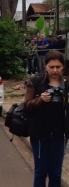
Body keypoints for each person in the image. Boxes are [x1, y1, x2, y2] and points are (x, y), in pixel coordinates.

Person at [24, 50, 69, 187]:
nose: (55, 70)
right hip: (39, 134)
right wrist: (40, 100)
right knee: (40, 171)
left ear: (63, 67)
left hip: (60, 135)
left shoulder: (67, 85)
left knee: (55, 173)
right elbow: (27, 105)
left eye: (58, 67)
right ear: (45, 66)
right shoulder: (36, 82)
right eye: (51, 67)